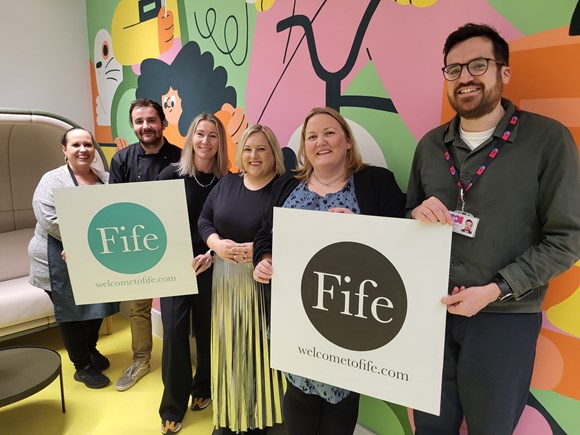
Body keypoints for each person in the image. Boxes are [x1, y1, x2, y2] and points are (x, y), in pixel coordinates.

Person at [405, 23, 580, 434]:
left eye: (478, 65)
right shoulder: (430, 146)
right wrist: (414, 215)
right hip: (430, 315)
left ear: (504, 72)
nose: (465, 76)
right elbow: (406, 212)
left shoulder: (547, 140)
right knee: (429, 429)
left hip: (504, 318)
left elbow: (566, 239)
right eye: (453, 69)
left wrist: (496, 289)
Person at [253, 107, 406, 435]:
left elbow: (404, 241)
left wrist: (362, 230)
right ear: (305, 146)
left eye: (329, 133)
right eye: (311, 136)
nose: (320, 141)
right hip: (295, 318)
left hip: (350, 320)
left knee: (341, 402)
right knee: (298, 395)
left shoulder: (376, 183)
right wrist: (264, 257)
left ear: (348, 141)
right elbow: (266, 231)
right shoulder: (285, 186)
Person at [198, 124, 287, 435]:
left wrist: (262, 249)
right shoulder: (227, 184)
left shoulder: (286, 187)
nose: (254, 155)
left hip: (263, 284)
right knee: (229, 350)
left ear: (273, 153)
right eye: (248, 149)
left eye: (261, 148)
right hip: (224, 281)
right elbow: (204, 220)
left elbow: (295, 233)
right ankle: (231, 415)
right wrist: (216, 245)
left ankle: (263, 417)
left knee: (261, 351)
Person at [28, 127, 119, 389]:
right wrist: (84, 242)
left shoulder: (105, 178)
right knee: (73, 313)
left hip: (95, 259)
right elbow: (49, 220)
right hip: (57, 259)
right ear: (64, 150)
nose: (83, 150)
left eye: (88, 144)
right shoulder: (52, 181)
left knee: (96, 308)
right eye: (76, 145)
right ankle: (82, 366)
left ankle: (90, 351)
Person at [156, 113, 230, 435]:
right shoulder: (169, 174)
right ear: (191, 138)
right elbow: (154, 221)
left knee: (206, 331)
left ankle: (203, 388)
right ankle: (173, 404)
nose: (205, 141)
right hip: (175, 267)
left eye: (213, 136)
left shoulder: (228, 180)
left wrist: (212, 255)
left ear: (220, 142)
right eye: (200, 134)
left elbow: (231, 225)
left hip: (212, 266)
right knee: (173, 334)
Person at [109, 98, 182, 392]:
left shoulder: (180, 156)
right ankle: (141, 359)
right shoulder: (122, 160)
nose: (145, 126)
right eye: (139, 122)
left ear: (163, 122)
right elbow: (112, 206)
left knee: (177, 308)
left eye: (151, 120)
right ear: (133, 126)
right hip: (136, 245)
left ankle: (179, 361)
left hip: (174, 243)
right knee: (138, 308)